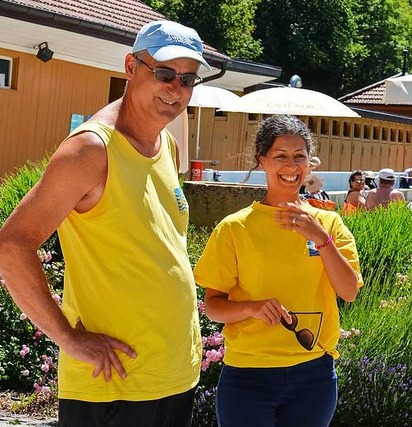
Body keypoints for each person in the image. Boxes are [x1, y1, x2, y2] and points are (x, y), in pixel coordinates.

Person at [0, 20, 208, 426]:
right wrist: (67, 338)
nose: (175, 89)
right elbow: (11, 246)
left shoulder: (166, 142)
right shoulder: (91, 150)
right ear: (131, 67)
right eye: (164, 73)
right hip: (113, 384)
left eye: (187, 79)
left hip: (172, 376)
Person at [193, 115, 363, 427]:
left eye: (299, 156)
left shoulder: (329, 224)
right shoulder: (234, 228)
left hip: (313, 375)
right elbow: (214, 307)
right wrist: (252, 308)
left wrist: (320, 238)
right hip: (248, 376)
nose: (291, 166)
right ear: (262, 161)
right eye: (280, 156)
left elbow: (349, 292)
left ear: (310, 164)